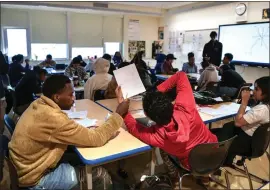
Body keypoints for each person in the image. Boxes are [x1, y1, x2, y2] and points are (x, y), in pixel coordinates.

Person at [8, 74, 127, 189]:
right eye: (71, 95)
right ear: (56, 97)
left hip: (25, 168)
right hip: (35, 178)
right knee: (100, 175)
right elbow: (96, 138)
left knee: (80, 157)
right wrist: (118, 114)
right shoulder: (53, 118)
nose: (74, 98)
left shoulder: (39, 103)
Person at [116, 72, 218, 173]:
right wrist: (158, 90)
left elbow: (133, 128)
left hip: (193, 164)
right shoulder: (186, 107)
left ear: (148, 116)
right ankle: (205, 178)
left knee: (162, 150)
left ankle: (173, 174)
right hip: (216, 153)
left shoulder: (156, 137)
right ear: (169, 102)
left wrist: (122, 105)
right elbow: (181, 75)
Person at [212, 76, 270, 165]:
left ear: (266, 93)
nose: (253, 91)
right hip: (253, 142)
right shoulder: (266, 107)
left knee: (211, 137)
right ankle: (226, 161)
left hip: (245, 143)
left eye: (256, 89)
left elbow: (238, 122)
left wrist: (244, 101)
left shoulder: (261, 109)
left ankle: (210, 166)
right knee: (221, 129)